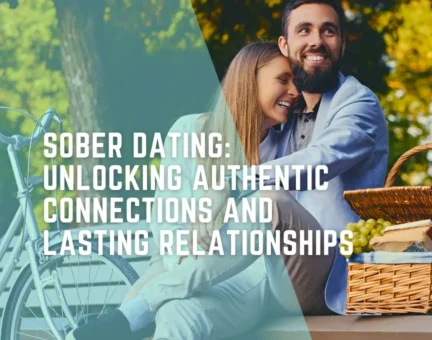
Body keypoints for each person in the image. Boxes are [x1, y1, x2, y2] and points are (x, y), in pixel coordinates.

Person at [68, 0, 389, 338]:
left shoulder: (357, 103)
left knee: (267, 201)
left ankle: (139, 307)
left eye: (329, 30)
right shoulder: (281, 121)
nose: (317, 40)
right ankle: (136, 310)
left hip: (322, 278)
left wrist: (232, 184)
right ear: (286, 44)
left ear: (341, 41)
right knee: (182, 314)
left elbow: (322, 158)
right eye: (304, 30)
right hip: (260, 276)